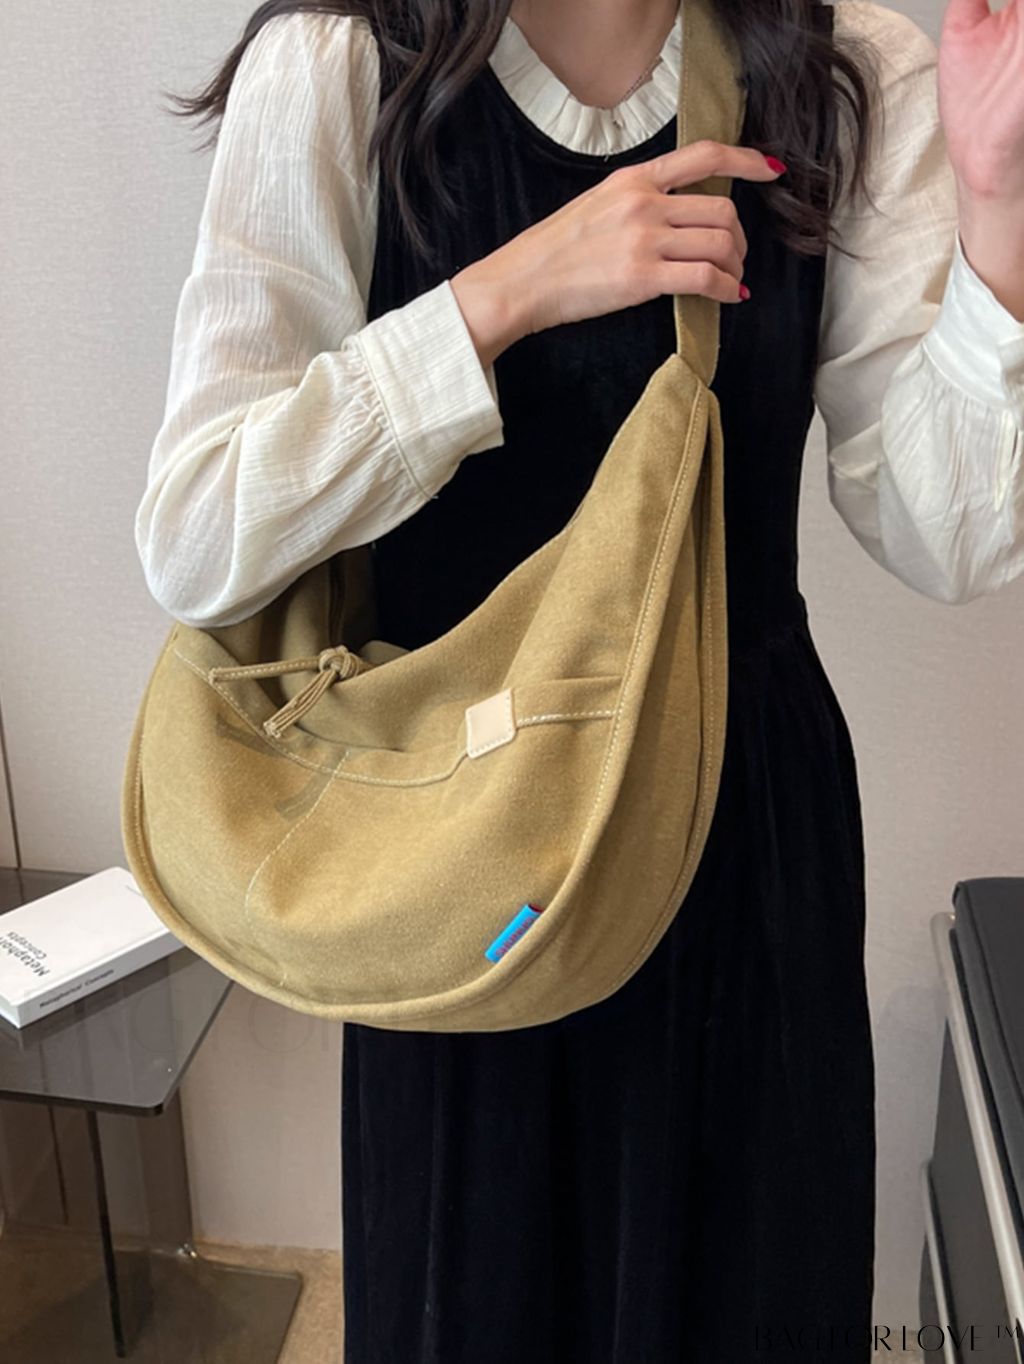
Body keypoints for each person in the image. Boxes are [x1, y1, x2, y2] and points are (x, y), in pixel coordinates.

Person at [135, 0, 1024, 1358]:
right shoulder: (340, 68)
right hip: (456, 849)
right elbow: (199, 535)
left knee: (750, 1297)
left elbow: (944, 536)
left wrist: (999, 212)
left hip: (741, 836)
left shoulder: (844, 68)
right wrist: (500, 299)